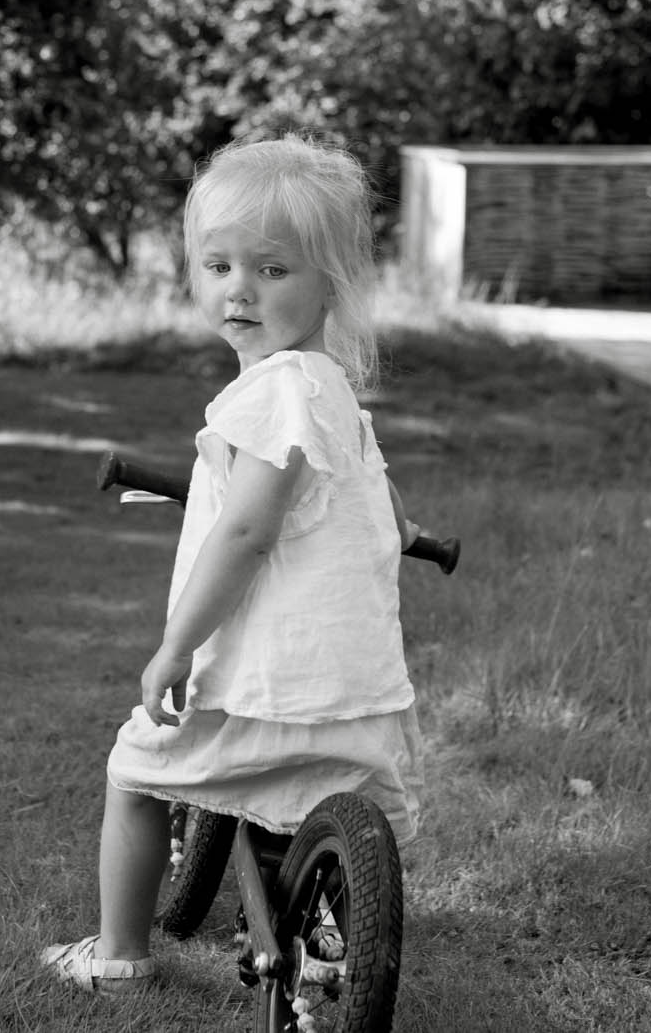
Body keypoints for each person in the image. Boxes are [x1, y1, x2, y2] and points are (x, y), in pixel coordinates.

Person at [39, 131, 425, 997]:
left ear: (332, 282)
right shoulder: (331, 391)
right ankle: (322, 931)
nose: (238, 289)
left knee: (133, 775)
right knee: (306, 800)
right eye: (217, 265)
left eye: (272, 269)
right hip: (353, 688)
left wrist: (175, 646)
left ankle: (118, 956)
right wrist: (400, 528)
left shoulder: (275, 391)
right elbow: (382, 502)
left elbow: (246, 534)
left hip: (267, 690)